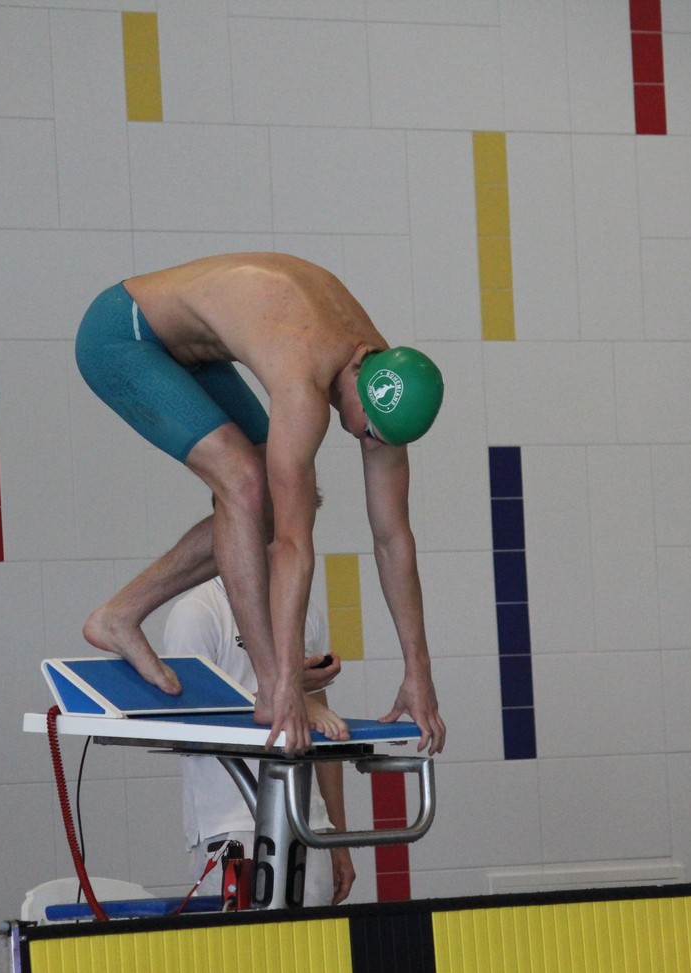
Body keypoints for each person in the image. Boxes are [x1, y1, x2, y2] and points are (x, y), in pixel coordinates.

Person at [74, 253, 445, 756]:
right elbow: (292, 546)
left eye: (382, 438)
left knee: (269, 496)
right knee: (245, 482)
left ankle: (118, 615)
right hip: (122, 335)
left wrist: (418, 672)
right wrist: (286, 681)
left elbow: (393, 539)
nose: (369, 442)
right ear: (360, 373)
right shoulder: (304, 379)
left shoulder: (384, 379)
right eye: (369, 431)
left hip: (191, 349)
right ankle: (269, 689)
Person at [163, 570, 356, 906]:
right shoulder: (198, 612)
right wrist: (285, 694)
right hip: (228, 823)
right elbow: (187, 727)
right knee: (246, 941)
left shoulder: (302, 609)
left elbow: (325, 738)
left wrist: (339, 839)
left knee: (313, 939)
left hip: (307, 820)